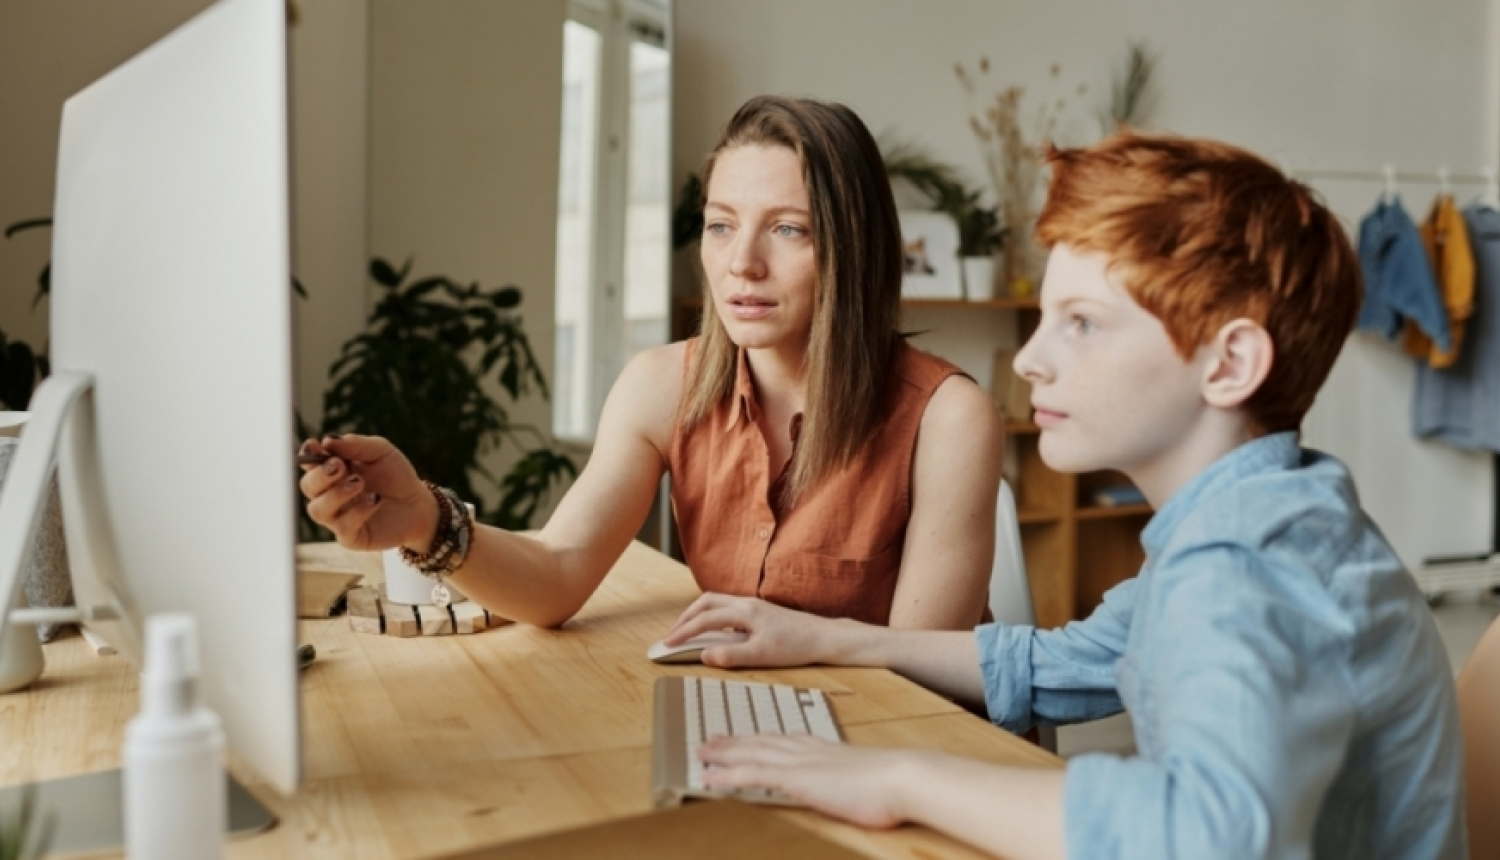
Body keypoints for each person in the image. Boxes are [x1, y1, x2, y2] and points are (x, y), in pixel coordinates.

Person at [662, 134, 1467, 859]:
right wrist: (825, 636)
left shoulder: (1246, 564)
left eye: (1081, 324)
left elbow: (1205, 834)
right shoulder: (1267, 515)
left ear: (1229, 366)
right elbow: (1058, 662)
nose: (1030, 362)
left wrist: (901, 778)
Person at [298, 95, 1003, 631]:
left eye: (788, 229)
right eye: (721, 224)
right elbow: (557, 574)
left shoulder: (948, 419)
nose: (741, 263)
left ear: (855, 249)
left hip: (903, 751)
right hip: (762, 726)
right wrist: (425, 518)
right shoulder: (662, 386)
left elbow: (921, 678)